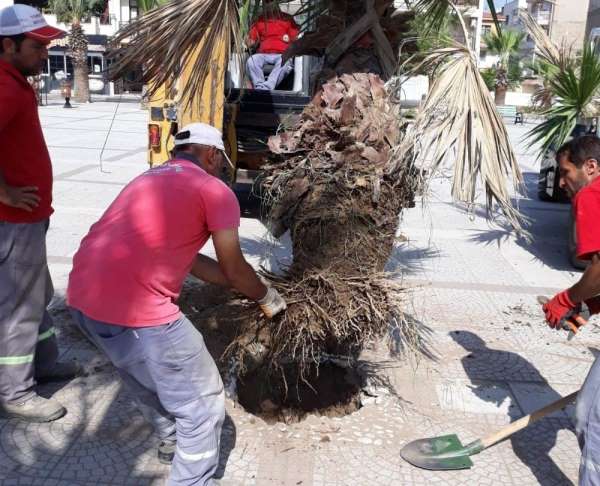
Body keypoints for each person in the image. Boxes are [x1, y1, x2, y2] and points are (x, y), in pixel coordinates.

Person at [67, 123, 287, 485]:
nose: (219, 169)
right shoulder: (213, 190)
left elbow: (193, 262)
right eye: (220, 162)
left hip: (82, 299)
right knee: (201, 406)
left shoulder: (148, 180)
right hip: (141, 315)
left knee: (143, 378)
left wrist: (238, 284)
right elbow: (234, 266)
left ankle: (172, 439)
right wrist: (265, 296)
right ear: (212, 154)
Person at [0, 4, 80, 423]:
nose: (45, 53)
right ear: (9, 44)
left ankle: (44, 361)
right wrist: (6, 193)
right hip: (13, 223)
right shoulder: (4, 86)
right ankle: (15, 392)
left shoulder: (14, 81)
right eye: (38, 45)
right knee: (18, 307)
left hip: (27, 219)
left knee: (36, 297)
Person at [540, 135, 600, 485]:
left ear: (590, 167)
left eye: (566, 172)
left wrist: (567, 299)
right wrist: (587, 310)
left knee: (590, 422)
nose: (561, 182)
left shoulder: (591, 194)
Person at [246, 0, 299, 91]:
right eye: (266, 3)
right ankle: (259, 86)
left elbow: (296, 39)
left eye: (271, 2)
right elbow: (251, 41)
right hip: (263, 54)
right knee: (252, 61)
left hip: (282, 54)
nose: (268, 5)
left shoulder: (287, 19)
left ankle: (266, 88)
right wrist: (247, 39)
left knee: (285, 61)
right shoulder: (259, 20)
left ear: (276, 4)